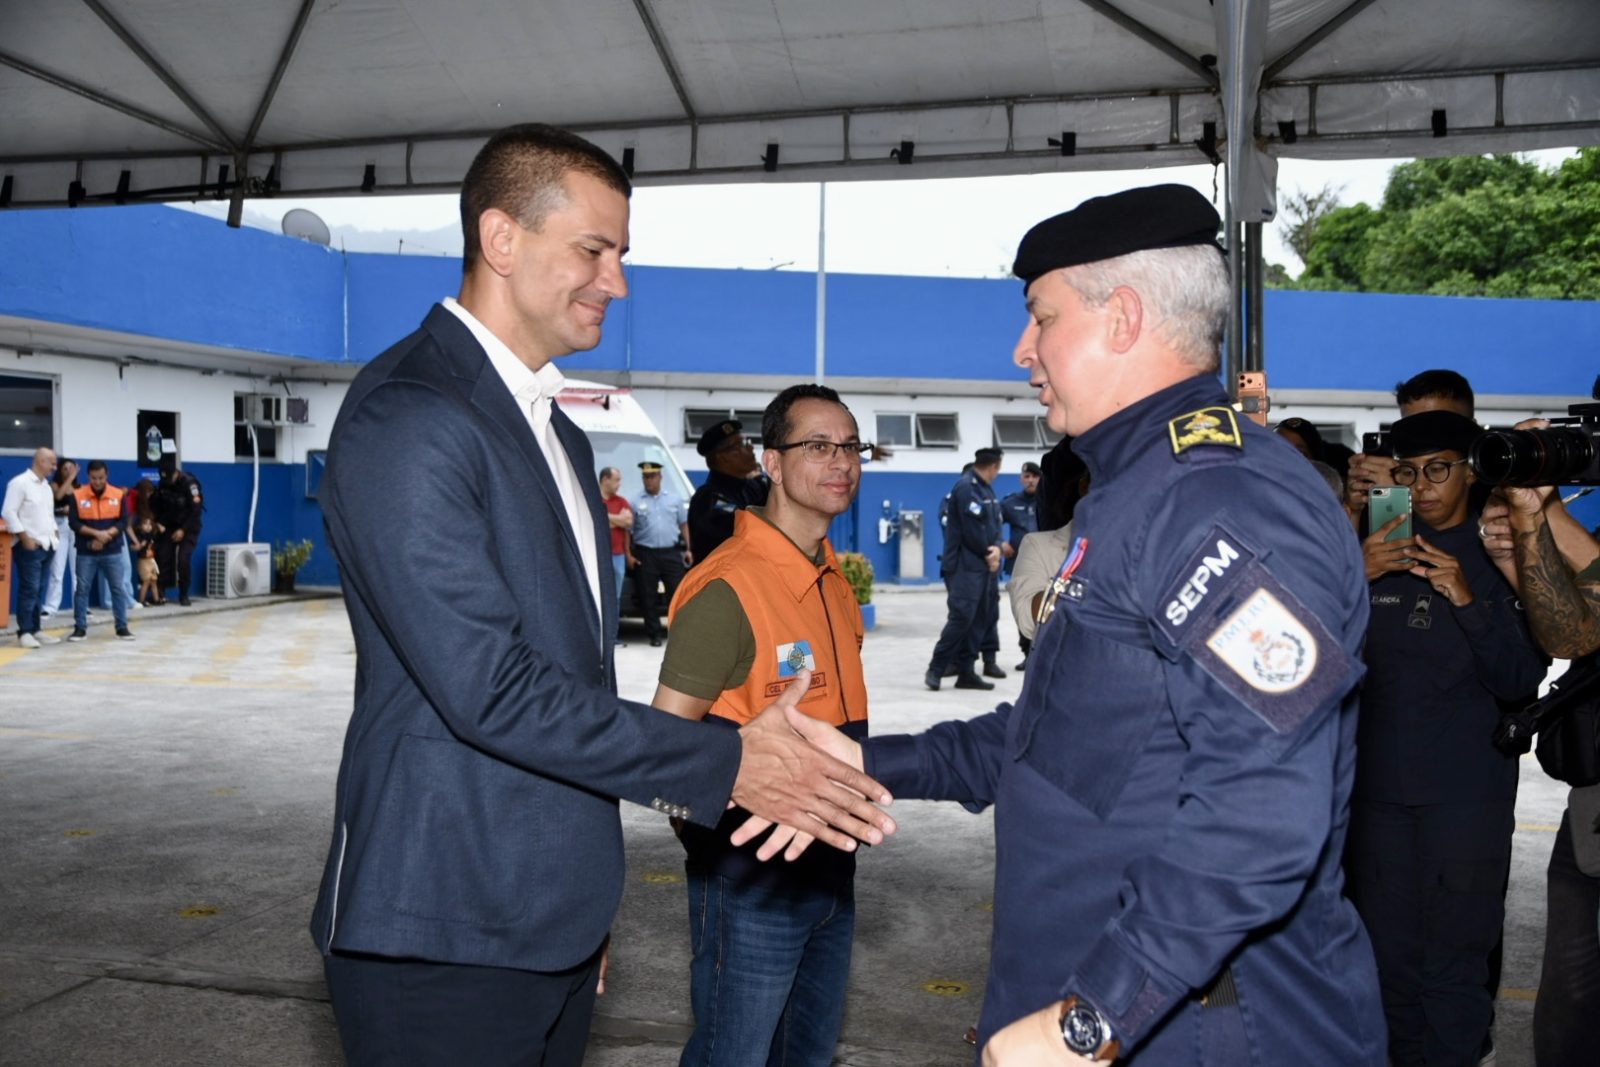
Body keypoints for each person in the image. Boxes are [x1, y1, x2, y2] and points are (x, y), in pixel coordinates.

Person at [307, 122, 893, 1067]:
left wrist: (579, 906)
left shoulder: (559, 435)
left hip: (545, 918)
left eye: (619, 255)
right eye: (594, 250)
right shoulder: (409, 415)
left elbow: (570, 682)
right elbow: (489, 686)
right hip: (440, 922)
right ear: (502, 240)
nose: (615, 282)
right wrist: (724, 762)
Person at [771, 185, 1385, 1064]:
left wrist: (1091, 1021)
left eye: (1040, 317)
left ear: (1124, 317)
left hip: (1204, 1030)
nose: (1023, 350)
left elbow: (1262, 814)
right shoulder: (1136, 495)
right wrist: (863, 761)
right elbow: (1063, 735)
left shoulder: (1218, 500)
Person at [654, 383, 870, 1067]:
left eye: (850, 446)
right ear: (770, 463)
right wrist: (713, 850)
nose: (840, 461)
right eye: (817, 445)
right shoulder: (730, 588)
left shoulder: (834, 581)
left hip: (833, 875)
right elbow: (660, 753)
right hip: (751, 882)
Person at [1349, 410, 1544, 1066]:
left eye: (1439, 468)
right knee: (1387, 972)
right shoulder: (1377, 541)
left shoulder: (1497, 546)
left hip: (1465, 803)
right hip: (1376, 800)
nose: (1423, 485)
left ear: (1470, 470)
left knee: (1454, 973)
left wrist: (1466, 598)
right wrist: (1355, 573)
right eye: (1407, 472)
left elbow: (1522, 678)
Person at [1496, 467, 1600, 1067]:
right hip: (1590, 800)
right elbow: (1572, 638)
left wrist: (1549, 513)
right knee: (1571, 990)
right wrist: (1527, 527)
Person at [925, 447, 1006, 691]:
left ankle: (967, 672)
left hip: (983, 565)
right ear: (994, 466)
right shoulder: (967, 488)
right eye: (998, 468)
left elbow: (994, 525)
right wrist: (988, 552)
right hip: (964, 566)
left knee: (980, 619)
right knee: (961, 617)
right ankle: (937, 668)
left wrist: (997, 550)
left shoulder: (985, 489)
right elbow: (973, 531)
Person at [66, 461, 135, 642]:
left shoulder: (118, 495)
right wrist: (96, 535)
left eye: (101, 478)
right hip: (86, 551)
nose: (97, 482)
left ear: (107, 476)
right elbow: (74, 523)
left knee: (118, 589)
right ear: (88, 477)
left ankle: (122, 627)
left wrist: (106, 535)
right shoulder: (77, 495)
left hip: (112, 549)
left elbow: (122, 522)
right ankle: (80, 628)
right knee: (81, 589)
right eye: (94, 478)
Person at [2, 446, 62, 648]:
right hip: (29, 547)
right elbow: (9, 512)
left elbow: (48, 514)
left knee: (39, 590)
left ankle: (36, 630)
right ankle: (25, 632)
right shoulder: (20, 483)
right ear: (40, 461)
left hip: (47, 545)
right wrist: (25, 538)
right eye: (52, 462)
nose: (55, 467)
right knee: (29, 589)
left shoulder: (46, 486)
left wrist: (55, 533)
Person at [687, 418, 769, 563]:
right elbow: (746, 535)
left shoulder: (752, 487)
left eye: (747, 442)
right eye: (741, 445)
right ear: (723, 457)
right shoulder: (707, 500)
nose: (750, 448)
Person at [633, 459, 691, 647]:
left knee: (676, 593)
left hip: (670, 552)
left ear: (660, 477)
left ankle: (677, 632)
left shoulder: (674, 500)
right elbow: (628, 531)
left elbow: (683, 525)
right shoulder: (635, 502)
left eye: (651, 476)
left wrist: (689, 548)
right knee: (647, 595)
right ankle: (654, 634)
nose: (648, 480)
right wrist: (629, 554)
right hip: (646, 553)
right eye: (645, 477)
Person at [998, 460, 1040, 668]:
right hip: (1019, 565)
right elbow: (990, 522)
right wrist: (1000, 542)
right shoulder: (1010, 503)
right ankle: (1027, 654)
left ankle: (1041, 654)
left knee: (1044, 611)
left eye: (1034, 476)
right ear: (1021, 479)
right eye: (1027, 476)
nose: (1030, 480)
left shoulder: (1049, 501)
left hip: (1045, 564)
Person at [149, 458, 203, 605]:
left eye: (169, 477)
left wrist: (183, 530)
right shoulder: (163, 483)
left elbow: (195, 511)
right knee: (163, 554)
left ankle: (184, 594)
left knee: (183, 559)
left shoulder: (189, 483)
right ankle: (161, 592)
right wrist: (158, 523)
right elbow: (160, 506)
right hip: (170, 524)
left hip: (189, 525)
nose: (167, 481)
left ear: (177, 473)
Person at [41, 458, 79, 618]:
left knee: (78, 570)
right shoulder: (54, 485)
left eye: (71, 468)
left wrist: (71, 510)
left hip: (75, 528)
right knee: (57, 569)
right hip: (60, 527)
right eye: (65, 468)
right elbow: (58, 496)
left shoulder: (79, 487)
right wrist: (70, 478)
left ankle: (80, 605)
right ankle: (50, 607)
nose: (68, 471)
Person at [598, 466, 633, 623]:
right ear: (605, 480)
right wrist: (616, 519)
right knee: (599, 595)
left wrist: (604, 517)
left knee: (616, 596)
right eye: (616, 480)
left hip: (618, 555)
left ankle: (614, 635)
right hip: (598, 555)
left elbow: (628, 521)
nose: (619, 484)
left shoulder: (622, 501)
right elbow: (594, 521)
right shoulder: (592, 499)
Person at [127, 479, 164, 606]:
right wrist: (137, 542)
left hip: (148, 553)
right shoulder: (132, 498)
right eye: (148, 493)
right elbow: (128, 525)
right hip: (139, 549)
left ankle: (155, 598)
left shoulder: (143, 506)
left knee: (152, 580)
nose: (149, 497)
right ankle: (140, 600)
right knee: (145, 579)